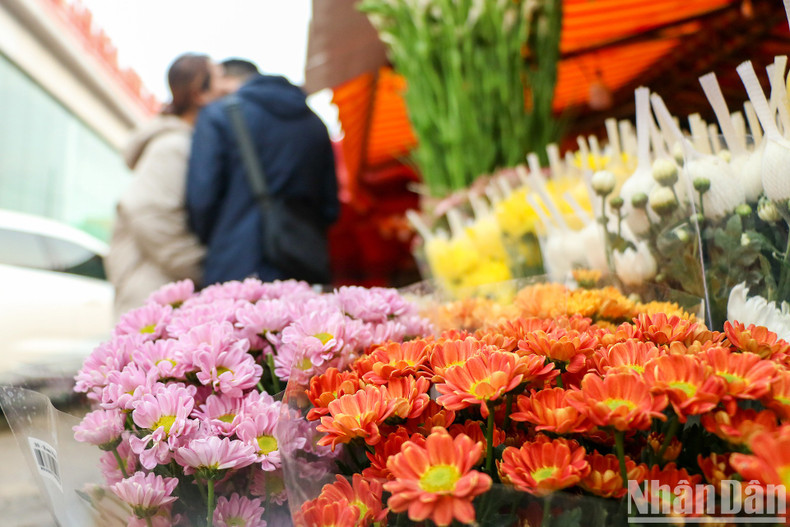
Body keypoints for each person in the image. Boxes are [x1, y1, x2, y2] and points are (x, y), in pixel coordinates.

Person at [185, 58, 340, 286]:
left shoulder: (217, 114)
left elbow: (201, 200)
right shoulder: (316, 125)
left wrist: (225, 237)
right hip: (304, 267)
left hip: (235, 269)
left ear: (228, 80)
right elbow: (330, 209)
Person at [106, 53, 224, 319]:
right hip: (151, 300)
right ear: (199, 94)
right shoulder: (174, 146)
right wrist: (204, 269)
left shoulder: (184, 143)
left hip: (159, 294)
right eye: (219, 80)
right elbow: (148, 213)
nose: (227, 89)